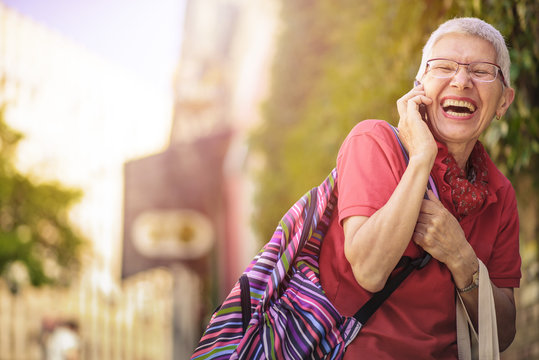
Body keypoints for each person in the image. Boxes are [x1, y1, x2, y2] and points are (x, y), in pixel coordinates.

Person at [319, 17, 521, 359]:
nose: (461, 81)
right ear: (420, 88)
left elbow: (501, 335)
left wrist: (462, 258)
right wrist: (421, 158)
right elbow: (368, 271)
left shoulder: (500, 195)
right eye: (444, 67)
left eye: (482, 71)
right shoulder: (374, 143)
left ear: (503, 101)